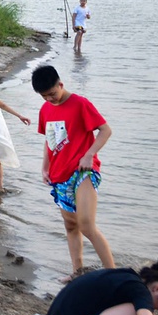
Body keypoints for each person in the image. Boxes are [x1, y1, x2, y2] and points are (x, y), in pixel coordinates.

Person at [31, 64, 115, 280]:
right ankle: (77, 272)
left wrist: (89, 155)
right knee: (71, 225)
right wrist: (45, 166)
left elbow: (105, 130)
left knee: (86, 225)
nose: (50, 99)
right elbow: (50, 140)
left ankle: (114, 275)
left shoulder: (80, 104)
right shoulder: (46, 109)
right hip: (59, 174)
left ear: (61, 84)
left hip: (83, 171)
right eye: (44, 96)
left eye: (52, 94)